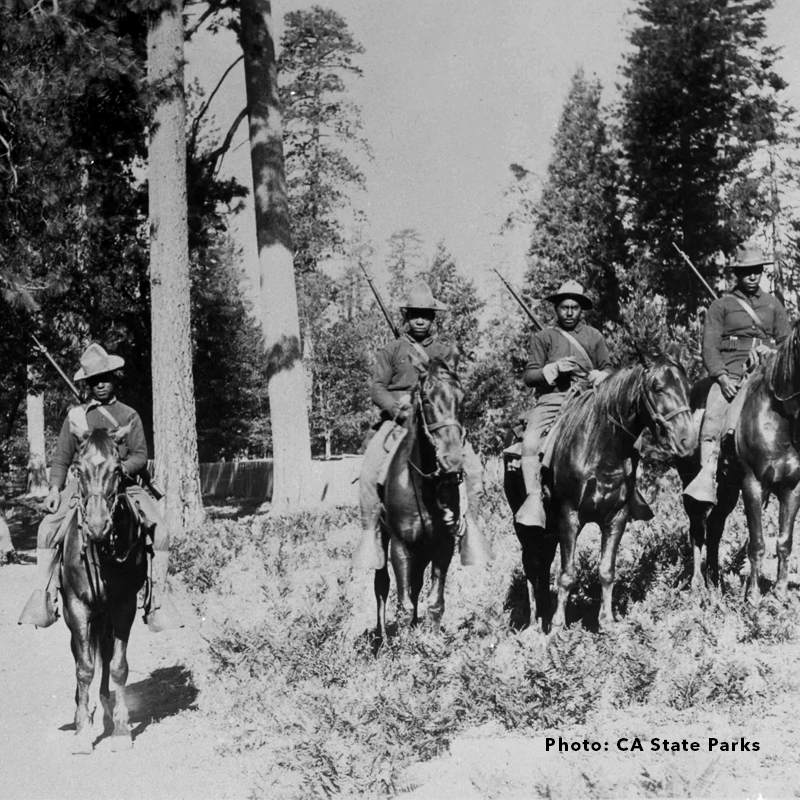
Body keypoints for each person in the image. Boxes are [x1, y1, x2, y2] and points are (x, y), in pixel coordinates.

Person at [18, 343, 184, 632]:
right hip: (84, 486)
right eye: (93, 381)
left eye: (104, 378)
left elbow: (140, 456)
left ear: (114, 378)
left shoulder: (129, 415)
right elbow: (61, 458)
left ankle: (158, 600)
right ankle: (43, 597)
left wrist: (121, 469)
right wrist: (56, 489)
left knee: (161, 532)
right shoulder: (76, 417)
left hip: (124, 486)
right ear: (88, 384)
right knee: (47, 529)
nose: (99, 386)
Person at [352, 282, 493, 570]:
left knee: (476, 470)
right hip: (399, 419)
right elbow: (377, 387)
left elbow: (452, 385)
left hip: (435, 418)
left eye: (426, 315)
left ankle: (471, 528)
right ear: (407, 316)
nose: (420, 319)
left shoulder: (443, 350)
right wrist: (396, 407)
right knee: (369, 468)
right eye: (415, 314)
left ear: (433, 318)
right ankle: (370, 533)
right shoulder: (391, 350)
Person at [684, 243, 791, 504]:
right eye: (747, 271)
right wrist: (720, 377)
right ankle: (708, 473)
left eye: (757, 271)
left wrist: (772, 350)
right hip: (731, 374)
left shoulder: (773, 305)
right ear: (737, 274)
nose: (753, 276)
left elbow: (787, 344)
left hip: (767, 375)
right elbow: (709, 347)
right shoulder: (721, 307)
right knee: (714, 415)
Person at [516, 280, 612, 527]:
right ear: (556, 309)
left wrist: (600, 376)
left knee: (623, 435)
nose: (569, 313)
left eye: (574, 308)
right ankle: (534, 499)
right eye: (564, 307)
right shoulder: (543, 337)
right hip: (552, 400)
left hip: (588, 399)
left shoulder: (594, 337)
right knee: (529, 442)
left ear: (582, 310)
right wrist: (553, 368)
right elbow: (529, 376)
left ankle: (628, 493)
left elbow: (608, 369)